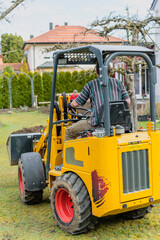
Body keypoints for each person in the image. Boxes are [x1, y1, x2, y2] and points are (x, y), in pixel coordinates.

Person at [65, 63, 130, 141]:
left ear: (96, 71)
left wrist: (69, 104)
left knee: (69, 132)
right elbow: (127, 102)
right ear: (110, 71)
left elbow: (76, 103)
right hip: (118, 123)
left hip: (97, 123)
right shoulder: (119, 83)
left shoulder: (91, 85)